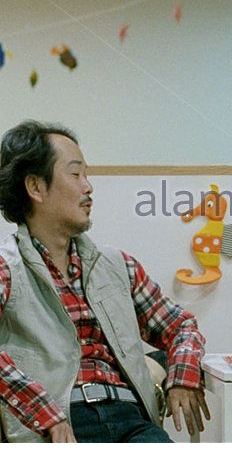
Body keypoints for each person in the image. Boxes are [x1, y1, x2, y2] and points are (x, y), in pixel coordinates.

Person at [0, 120, 210, 442]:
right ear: (36, 187)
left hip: (131, 419)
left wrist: (182, 374)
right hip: (60, 427)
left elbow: (181, 326)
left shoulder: (118, 266)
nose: (88, 187)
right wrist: (45, 414)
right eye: (75, 174)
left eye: (86, 175)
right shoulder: (6, 267)